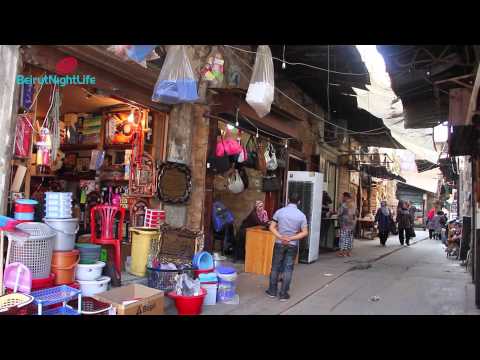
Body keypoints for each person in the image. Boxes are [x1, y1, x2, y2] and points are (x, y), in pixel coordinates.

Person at [266, 193, 308, 301]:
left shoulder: (280, 212)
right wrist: (291, 238)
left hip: (279, 243)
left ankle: (272, 291)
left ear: (288, 200)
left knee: (275, 267)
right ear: (299, 202)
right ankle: (283, 294)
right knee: (288, 269)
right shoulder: (301, 215)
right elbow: (304, 233)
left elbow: (271, 227)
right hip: (292, 245)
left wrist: (281, 237)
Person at [337, 192, 358, 257]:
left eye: (343, 196)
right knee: (350, 238)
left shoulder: (344, 204)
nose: (342, 198)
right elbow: (356, 213)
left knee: (343, 238)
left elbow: (339, 213)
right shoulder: (354, 204)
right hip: (352, 224)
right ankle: (348, 252)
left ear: (346, 197)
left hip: (345, 224)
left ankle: (342, 252)